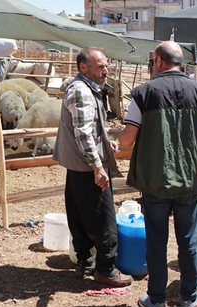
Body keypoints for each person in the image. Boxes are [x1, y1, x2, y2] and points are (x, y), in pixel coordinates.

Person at [118, 41, 197, 307]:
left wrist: (120, 137)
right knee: (188, 241)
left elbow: (128, 139)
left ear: (157, 61)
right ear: (181, 62)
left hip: (155, 181)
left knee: (156, 241)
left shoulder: (143, 92)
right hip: (190, 180)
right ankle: (189, 298)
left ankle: (156, 301)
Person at [53, 46, 133, 288]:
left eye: (106, 66)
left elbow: (86, 129)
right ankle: (106, 269)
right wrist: (98, 167)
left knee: (78, 213)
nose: (105, 71)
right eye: (100, 67)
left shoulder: (84, 88)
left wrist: (104, 142)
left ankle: (85, 261)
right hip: (88, 167)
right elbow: (83, 134)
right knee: (103, 217)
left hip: (77, 164)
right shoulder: (81, 91)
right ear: (83, 68)